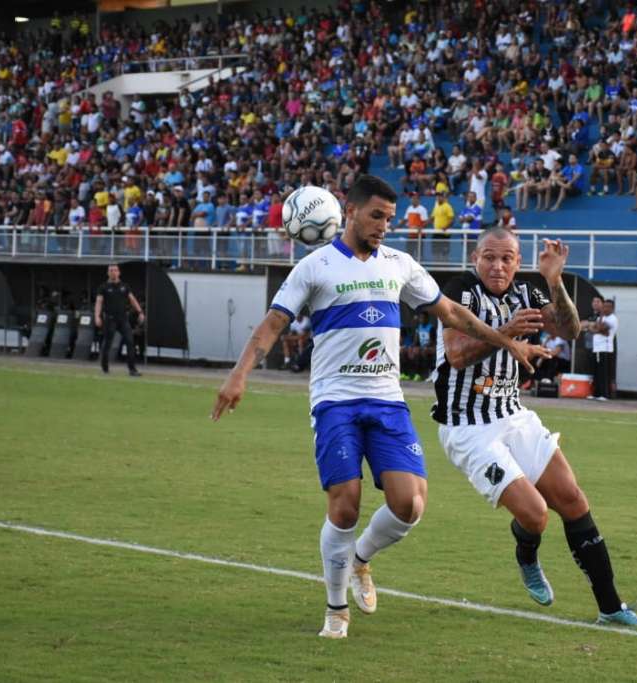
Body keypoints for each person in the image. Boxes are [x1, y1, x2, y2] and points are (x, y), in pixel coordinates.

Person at [210, 175, 548, 640]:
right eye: (376, 216)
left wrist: (506, 341)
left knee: (409, 504)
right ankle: (335, 610)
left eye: (390, 218)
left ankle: (361, 561)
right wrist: (240, 372)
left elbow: (452, 313)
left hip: (387, 400)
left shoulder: (400, 265)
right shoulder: (314, 267)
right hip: (336, 401)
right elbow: (272, 324)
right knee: (345, 506)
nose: (384, 225)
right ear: (349, 212)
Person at [433, 228, 637, 626]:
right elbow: (457, 355)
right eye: (489, 257)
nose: (497, 266)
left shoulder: (526, 294)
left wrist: (554, 282)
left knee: (572, 499)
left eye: (507, 259)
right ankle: (527, 554)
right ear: (474, 257)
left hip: (513, 415)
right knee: (535, 515)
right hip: (468, 426)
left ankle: (611, 607)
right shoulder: (461, 291)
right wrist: (508, 333)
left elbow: (570, 330)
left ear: (518, 262)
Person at [94, 263, 145, 377]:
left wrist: (140, 312)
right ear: (108, 273)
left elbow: (132, 300)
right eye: (111, 270)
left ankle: (132, 370)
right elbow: (99, 302)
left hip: (123, 319)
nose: (113, 272)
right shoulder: (103, 287)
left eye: (115, 270)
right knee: (108, 344)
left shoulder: (125, 286)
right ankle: (105, 366)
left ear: (119, 272)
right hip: (109, 319)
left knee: (130, 342)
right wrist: (97, 316)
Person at [587, 298, 618, 400]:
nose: (605, 309)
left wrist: (598, 326)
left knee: (603, 373)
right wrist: (597, 329)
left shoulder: (612, 318)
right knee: (596, 372)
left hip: (605, 349)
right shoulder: (602, 318)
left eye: (608, 307)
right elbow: (592, 329)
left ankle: (604, 394)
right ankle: (596, 393)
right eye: (604, 306)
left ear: (613, 309)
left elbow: (600, 328)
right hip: (597, 349)